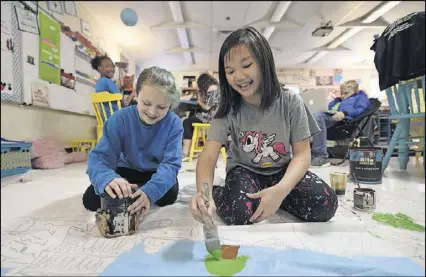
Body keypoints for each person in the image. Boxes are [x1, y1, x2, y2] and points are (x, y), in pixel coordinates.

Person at [189, 27, 338, 226]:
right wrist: (204, 194)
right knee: (238, 213)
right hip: (244, 170)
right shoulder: (227, 108)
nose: (239, 76)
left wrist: (282, 190)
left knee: (325, 204)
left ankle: (274, 198)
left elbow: (302, 154)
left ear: (264, 62)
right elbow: (208, 156)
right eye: (230, 71)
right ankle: (223, 191)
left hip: (282, 170)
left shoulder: (290, 101)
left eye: (247, 65)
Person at [82, 66, 183, 218]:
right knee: (91, 200)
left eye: (162, 107)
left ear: (170, 104)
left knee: (169, 195)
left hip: (154, 172)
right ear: (136, 95)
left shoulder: (174, 123)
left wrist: (150, 192)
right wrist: (108, 178)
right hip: (126, 169)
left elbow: (170, 165)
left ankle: (139, 190)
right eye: (146, 103)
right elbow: (100, 157)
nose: (152, 112)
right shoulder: (119, 119)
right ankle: (131, 188)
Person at [310, 80, 371, 167]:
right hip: (330, 118)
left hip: (343, 122)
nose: (343, 96)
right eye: (342, 93)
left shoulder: (361, 97)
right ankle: (307, 155)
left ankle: (321, 157)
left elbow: (360, 110)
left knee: (318, 116)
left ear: (356, 91)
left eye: (346, 93)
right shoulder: (337, 101)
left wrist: (345, 113)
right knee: (309, 118)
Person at [182, 73, 220, 161]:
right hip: (214, 117)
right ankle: (191, 150)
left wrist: (199, 100)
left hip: (211, 118)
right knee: (192, 117)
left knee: (186, 122)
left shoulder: (212, 88)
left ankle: (185, 151)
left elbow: (207, 107)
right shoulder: (215, 87)